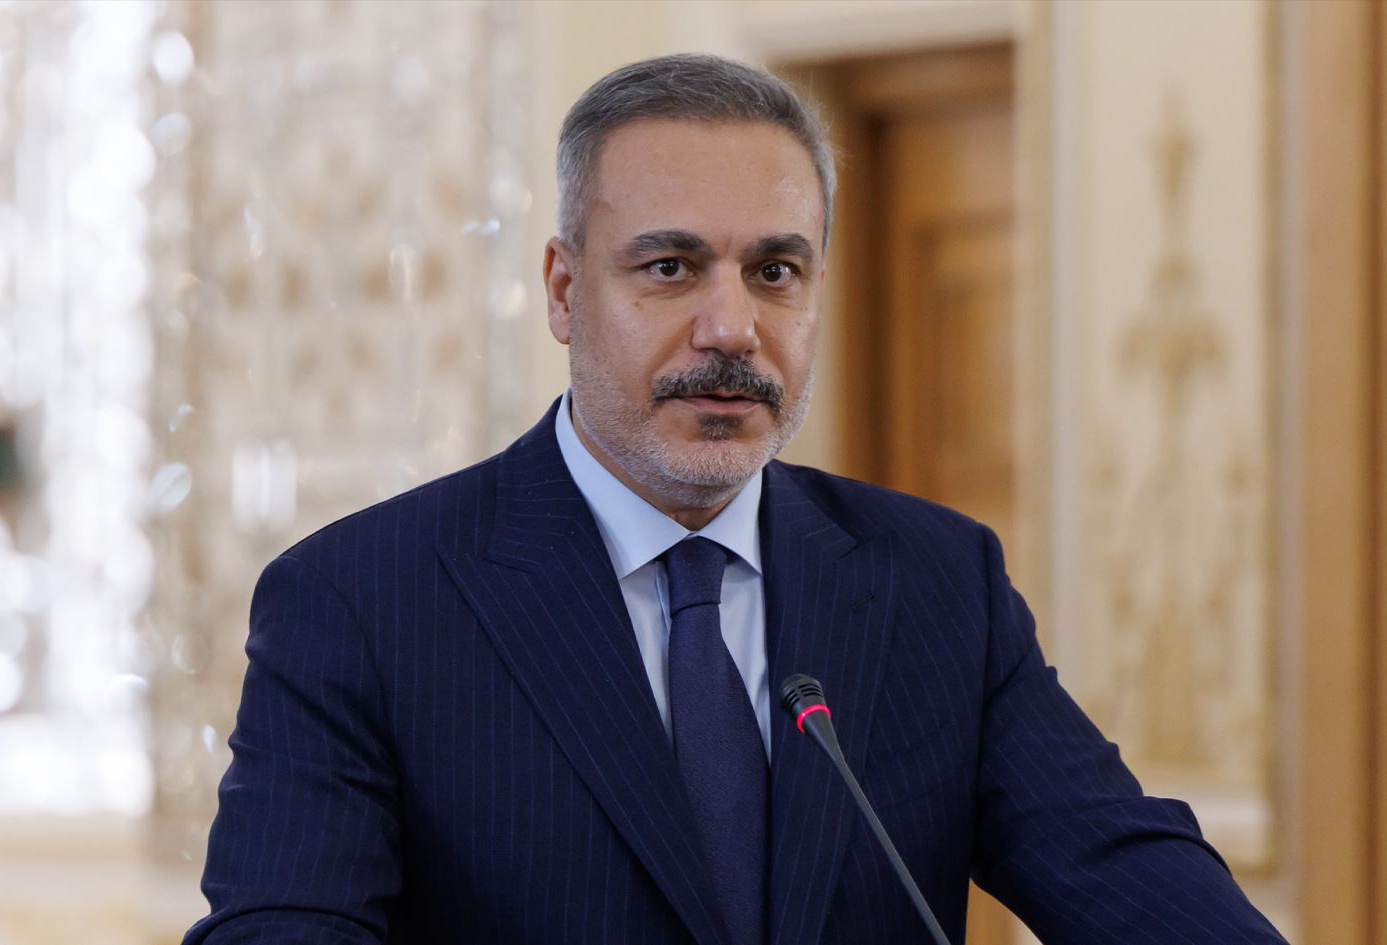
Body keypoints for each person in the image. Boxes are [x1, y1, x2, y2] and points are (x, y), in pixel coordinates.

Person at [183, 53, 1289, 945]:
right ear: (564, 290)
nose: (731, 327)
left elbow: (1127, 876)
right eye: (670, 268)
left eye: (775, 272)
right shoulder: (363, 604)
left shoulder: (937, 583)